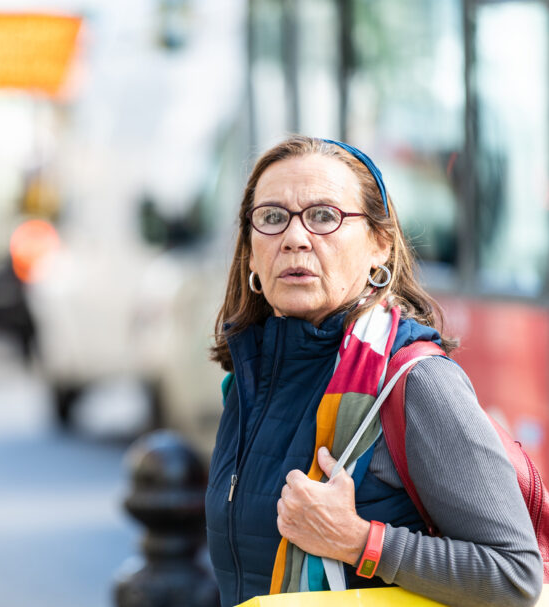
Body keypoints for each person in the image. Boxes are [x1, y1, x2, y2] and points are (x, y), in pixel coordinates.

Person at [205, 135, 543, 607]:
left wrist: (361, 542)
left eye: (324, 216)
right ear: (251, 249)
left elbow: (515, 576)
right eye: (272, 217)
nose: (295, 238)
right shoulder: (248, 384)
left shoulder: (415, 383)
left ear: (379, 246)